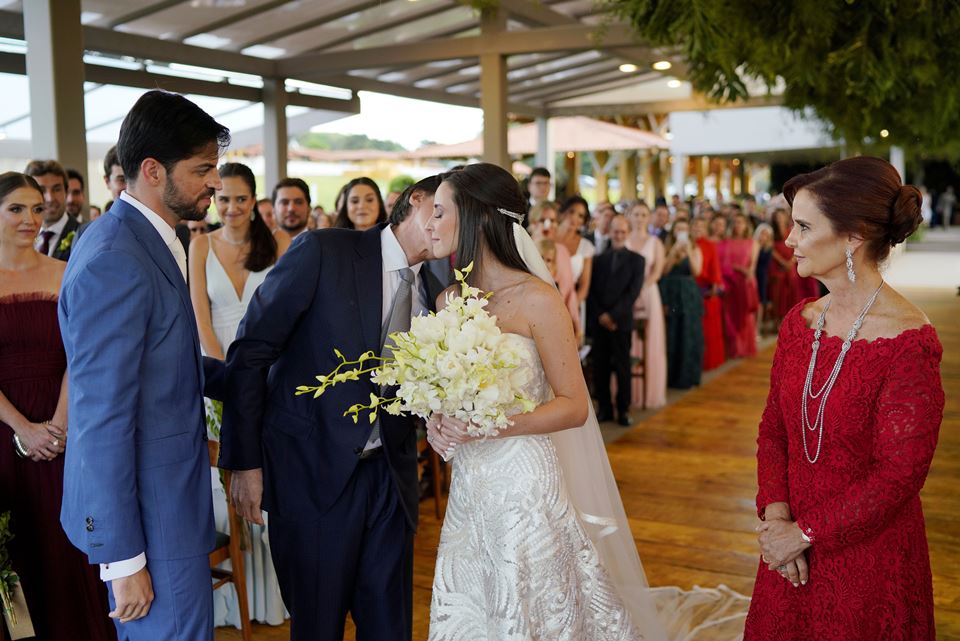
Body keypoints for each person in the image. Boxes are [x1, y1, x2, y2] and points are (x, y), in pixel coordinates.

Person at [423, 163, 666, 640]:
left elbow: (575, 406)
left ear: (475, 217)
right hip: (471, 482)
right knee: (473, 603)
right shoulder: (448, 301)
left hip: (525, 482)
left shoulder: (537, 299)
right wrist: (438, 420)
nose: (427, 225)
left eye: (438, 212)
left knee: (530, 608)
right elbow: (450, 392)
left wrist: (492, 425)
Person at [220, 173, 446, 641]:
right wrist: (244, 462)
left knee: (390, 629)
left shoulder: (444, 284)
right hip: (313, 473)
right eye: (445, 213)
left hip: (392, 477)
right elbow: (251, 351)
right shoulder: (325, 250)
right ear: (416, 202)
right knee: (318, 627)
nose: (451, 228)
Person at [745, 156, 943, 640]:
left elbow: (900, 475)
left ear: (853, 236)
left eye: (804, 226)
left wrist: (804, 534)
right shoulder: (801, 322)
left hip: (868, 555)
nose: (788, 239)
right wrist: (777, 519)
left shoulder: (908, 341)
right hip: (788, 550)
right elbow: (774, 429)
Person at [58, 90, 228, 641]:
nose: (214, 183)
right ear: (153, 170)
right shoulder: (117, 257)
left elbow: (165, 368)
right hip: (150, 528)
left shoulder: (150, 239)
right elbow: (100, 416)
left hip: (170, 511)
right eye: (203, 169)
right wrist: (124, 559)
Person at [0, 172, 116, 641]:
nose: (30, 219)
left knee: (64, 540)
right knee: (14, 546)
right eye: (16, 209)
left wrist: (58, 427)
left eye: (36, 209)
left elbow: (81, 355)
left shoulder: (65, 272)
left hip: (64, 427)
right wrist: (22, 428)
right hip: (5, 429)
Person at [188, 161, 290, 629]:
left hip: (272, 375)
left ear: (255, 201)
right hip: (218, 376)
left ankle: (275, 593)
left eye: (240, 198)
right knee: (223, 479)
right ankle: (234, 602)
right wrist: (227, 380)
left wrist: (259, 378)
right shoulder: (200, 244)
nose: (230, 207)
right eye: (222, 197)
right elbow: (200, 318)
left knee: (269, 475)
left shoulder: (281, 245)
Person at [587, 215, 645, 426]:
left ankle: (623, 409)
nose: (619, 235)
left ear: (627, 233)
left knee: (622, 367)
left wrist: (613, 316)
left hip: (621, 322)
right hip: (600, 322)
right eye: (615, 231)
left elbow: (632, 293)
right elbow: (591, 291)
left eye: (622, 231)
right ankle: (605, 408)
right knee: (600, 366)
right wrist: (602, 315)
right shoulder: (598, 259)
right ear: (610, 232)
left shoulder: (637, 260)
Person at [625, 202, 667, 409]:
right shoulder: (623, 239)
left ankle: (649, 391)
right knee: (628, 340)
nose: (640, 218)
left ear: (648, 217)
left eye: (643, 214)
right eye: (636, 214)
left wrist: (641, 289)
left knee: (650, 339)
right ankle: (629, 390)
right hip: (625, 295)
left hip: (648, 293)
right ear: (629, 216)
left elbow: (657, 271)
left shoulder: (655, 242)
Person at [659, 219, 704, 389]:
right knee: (672, 333)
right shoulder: (668, 247)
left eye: (684, 228)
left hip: (689, 293)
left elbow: (696, 271)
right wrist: (674, 252)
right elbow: (663, 271)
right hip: (671, 293)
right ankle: (672, 376)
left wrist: (688, 251)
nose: (682, 231)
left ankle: (688, 376)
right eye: (679, 228)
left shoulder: (695, 248)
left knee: (689, 334)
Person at [718, 213, 759, 357]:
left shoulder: (752, 242)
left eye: (741, 222)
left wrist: (743, 271)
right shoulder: (726, 242)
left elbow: (752, 267)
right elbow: (722, 263)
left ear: (746, 225)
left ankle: (745, 347)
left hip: (745, 282)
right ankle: (734, 349)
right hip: (730, 282)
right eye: (735, 222)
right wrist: (737, 269)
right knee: (730, 314)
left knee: (745, 316)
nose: (738, 225)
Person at [25, 159, 80, 261]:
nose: (50, 198)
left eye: (56, 189)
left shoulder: (82, 235)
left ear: (66, 192)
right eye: (42, 190)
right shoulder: (22, 235)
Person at [694, 216, 725, 370]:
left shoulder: (709, 245)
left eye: (701, 227)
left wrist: (714, 285)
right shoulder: (689, 245)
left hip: (706, 290)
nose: (698, 230)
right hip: (691, 288)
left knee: (708, 329)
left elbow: (714, 267)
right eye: (695, 227)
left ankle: (708, 361)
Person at [754, 222, 774, 336]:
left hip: (761, 277)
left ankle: (757, 328)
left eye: (766, 235)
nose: (763, 237)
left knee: (760, 302)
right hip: (753, 275)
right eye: (762, 234)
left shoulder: (768, 248)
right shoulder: (752, 245)